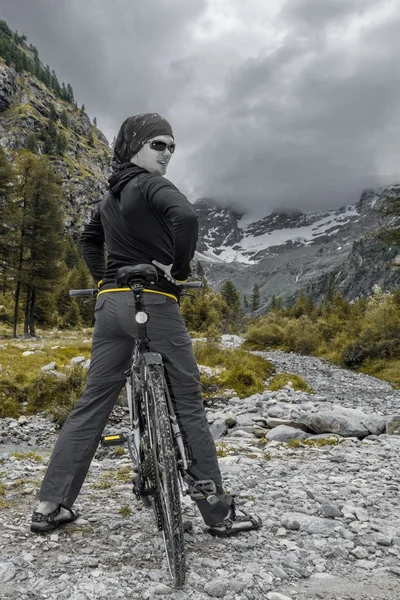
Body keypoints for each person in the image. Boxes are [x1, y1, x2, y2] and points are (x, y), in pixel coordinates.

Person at [30, 113, 262, 537]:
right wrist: (179, 266)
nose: (168, 153)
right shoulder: (152, 185)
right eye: (158, 144)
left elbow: (87, 239)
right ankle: (217, 511)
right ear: (134, 145)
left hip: (109, 308)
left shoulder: (110, 197)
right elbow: (187, 219)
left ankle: (51, 506)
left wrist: (104, 278)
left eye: (172, 146)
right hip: (155, 303)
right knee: (187, 402)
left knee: (94, 401)